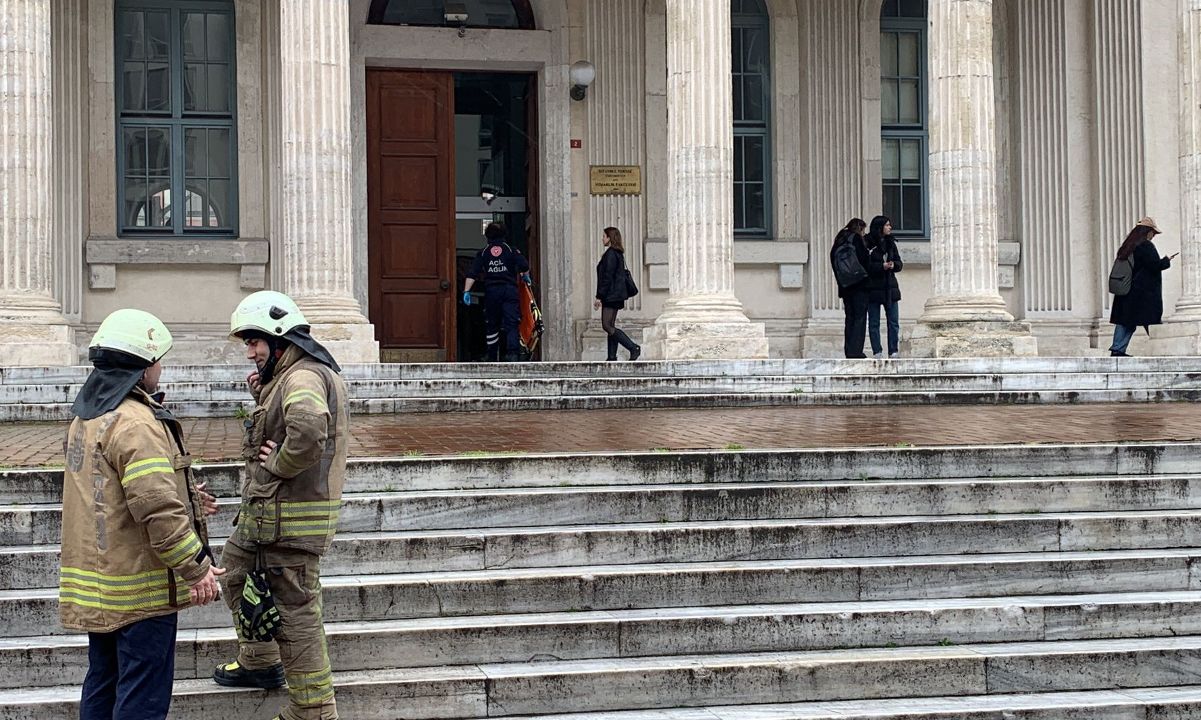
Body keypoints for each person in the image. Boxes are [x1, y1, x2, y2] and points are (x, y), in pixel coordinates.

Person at [60, 308, 222, 720]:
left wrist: (187, 497)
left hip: (102, 588)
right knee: (141, 701)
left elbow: (112, 491)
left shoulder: (88, 416)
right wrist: (196, 566)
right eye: (158, 359)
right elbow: (155, 505)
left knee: (103, 684)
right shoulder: (136, 421)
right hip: (141, 591)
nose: (160, 368)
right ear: (145, 363)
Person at [214, 290, 348, 720]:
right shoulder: (289, 375)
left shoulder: (303, 376)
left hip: (289, 522)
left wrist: (278, 463)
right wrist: (263, 396)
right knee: (234, 569)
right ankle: (259, 660)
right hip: (267, 518)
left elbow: (308, 431)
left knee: (295, 615)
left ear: (280, 338)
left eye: (254, 341)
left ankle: (313, 711)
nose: (250, 352)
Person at [463, 222, 531, 362]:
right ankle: (513, 354)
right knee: (511, 322)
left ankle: (492, 355)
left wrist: (466, 291)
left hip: (492, 292)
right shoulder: (511, 250)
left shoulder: (483, 253)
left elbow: (472, 273)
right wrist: (525, 275)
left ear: (487, 236)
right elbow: (524, 265)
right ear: (504, 235)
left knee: (492, 323)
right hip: (509, 290)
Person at [1109, 217, 1176, 356]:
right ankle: (1164, 349)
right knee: (1150, 320)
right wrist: (1166, 260)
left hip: (1126, 290)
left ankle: (1117, 349)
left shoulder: (1128, 245)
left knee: (1125, 321)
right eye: (1154, 233)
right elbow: (1154, 266)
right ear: (1148, 231)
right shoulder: (1146, 246)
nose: (1154, 236)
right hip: (1142, 293)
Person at [594, 226, 641, 361]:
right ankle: (611, 357)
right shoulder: (617, 253)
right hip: (615, 294)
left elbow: (607, 277)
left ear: (609, 238)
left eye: (604, 236)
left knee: (606, 325)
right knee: (611, 325)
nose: (602, 238)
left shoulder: (610, 254)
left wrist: (599, 297)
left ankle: (633, 347)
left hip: (611, 295)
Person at [831, 218, 871, 358]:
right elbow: (864, 260)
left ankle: (849, 350)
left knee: (850, 318)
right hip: (859, 284)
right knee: (860, 318)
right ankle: (856, 351)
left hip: (845, 286)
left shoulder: (839, 240)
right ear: (859, 228)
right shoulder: (856, 239)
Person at [865, 215, 904, 359]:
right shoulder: (868, 243)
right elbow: (865, 265)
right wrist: (880, 266)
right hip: (874, 288)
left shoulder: (891, 243)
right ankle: (877, 351)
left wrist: (894, 265)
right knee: (874, 322)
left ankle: (893, 350)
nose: (890, 227)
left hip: (890, 287)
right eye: (887, 225)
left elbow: (899, 263)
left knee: (893, 322)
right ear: (880, 227)